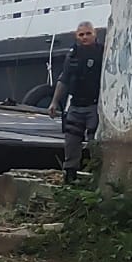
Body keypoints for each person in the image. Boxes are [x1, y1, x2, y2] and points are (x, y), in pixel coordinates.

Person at [48, 21, 104, 184]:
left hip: (94, 104)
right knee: (71, 140)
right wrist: (54, 102)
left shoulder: (102, 52)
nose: (85, 37)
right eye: (81, 34)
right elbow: (63, 80)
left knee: (95, 141)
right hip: (75, 104)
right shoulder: (72, 54)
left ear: (95, 34)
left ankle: (97, 175)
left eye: (88, 33)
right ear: (76, 36)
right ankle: (70, 174)